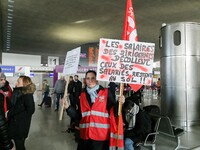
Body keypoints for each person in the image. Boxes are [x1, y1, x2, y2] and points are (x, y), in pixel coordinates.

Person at [62, 70, 125, 150]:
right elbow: (79, 116)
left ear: (97, 80)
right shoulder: (82, 95)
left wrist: (120, 103)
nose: (90, 80)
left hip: (101, 138)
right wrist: (68, 108)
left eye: (93, 78)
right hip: (85, 137)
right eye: (88, 78)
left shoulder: (106, 93)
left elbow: (114, 113)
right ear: (85, 80)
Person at [7, 76, 36, 150]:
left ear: (24, 84)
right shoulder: (18, 92)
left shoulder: (27, 95)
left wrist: (15, 116)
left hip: (21, 126)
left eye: (18, 82)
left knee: (19, 145)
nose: (16, 83)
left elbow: (31, 110)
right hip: (16, 124)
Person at [0, 74, 14, 150]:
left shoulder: (7, 88)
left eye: (4, 79)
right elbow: (1, 122)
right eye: (1, 79)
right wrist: (8, 144)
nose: (3, 81)